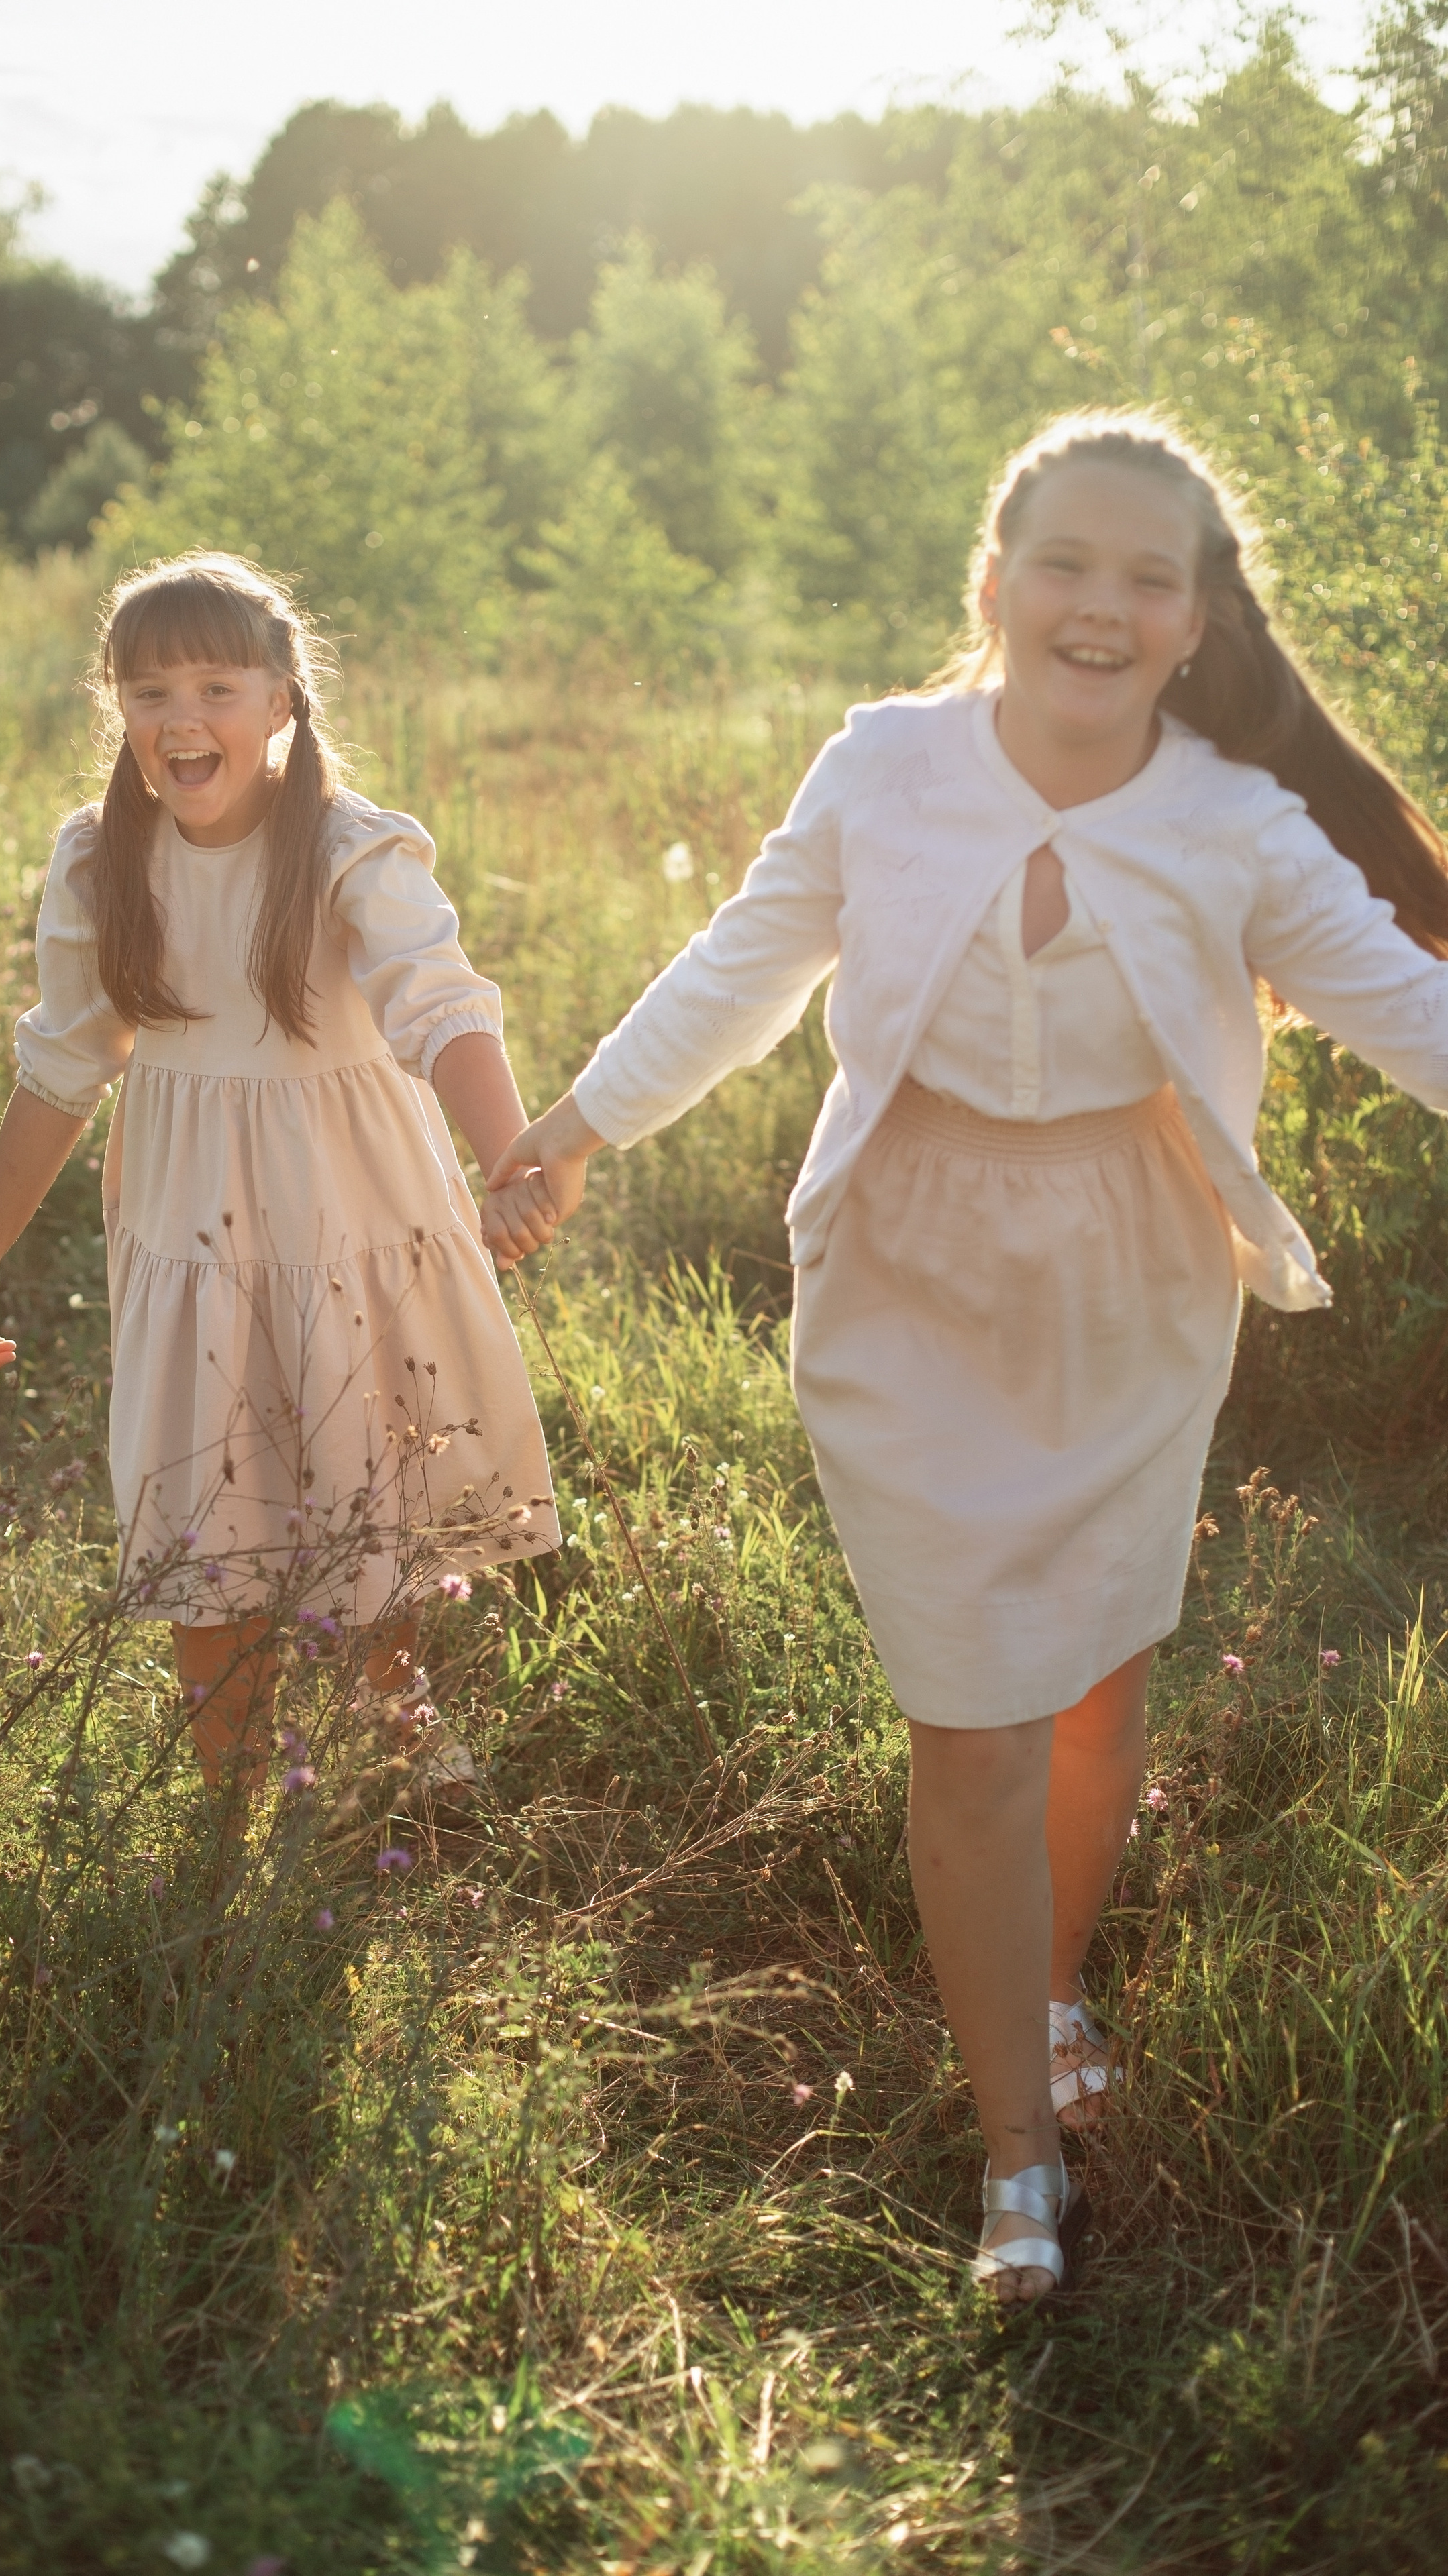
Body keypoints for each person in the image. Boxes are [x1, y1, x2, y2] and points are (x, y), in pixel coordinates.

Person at [480, 409, 1448, 2305]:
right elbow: (746, 962)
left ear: (1194, 625)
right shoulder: (886, 768)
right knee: (976, 1719)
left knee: (1093, 1688)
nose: (1100, 605)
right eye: (1064, 565)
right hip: (909, 1269)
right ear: (993, 584)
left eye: (1145, 579)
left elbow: (1408, 1008)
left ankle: (1057, 1978)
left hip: (1129, 1279)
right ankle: (1019, 2156)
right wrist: (579, 1123)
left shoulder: (1235, 823)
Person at [0, 551, 556, 1817]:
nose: (181, 719)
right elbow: (59, 1076)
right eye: (150, 690)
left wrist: (510, 1158)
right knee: (201, 1510)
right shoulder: (101, 862)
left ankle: (400, 1743)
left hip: (355, 1216)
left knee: (371, 1485)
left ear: (282, 701)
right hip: (193, 1236)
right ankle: (235, 1802)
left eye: (217, 686)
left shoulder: (344, 848)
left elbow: (442, 1005)